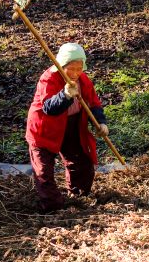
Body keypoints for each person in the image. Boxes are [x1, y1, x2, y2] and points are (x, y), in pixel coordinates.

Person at [25, 42, 108, 212]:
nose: (76, 73)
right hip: (45, 130)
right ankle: (53, 207)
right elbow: (49, 108)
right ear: (62, 65)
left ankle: (78, 197)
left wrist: (101, 122)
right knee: (43, 172)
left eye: (79, 68)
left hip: (72, 126)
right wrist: (65, 95)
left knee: (82, 164)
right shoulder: (48, 78)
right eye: (71, 68)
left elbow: (93, 103)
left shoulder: (83, 80)